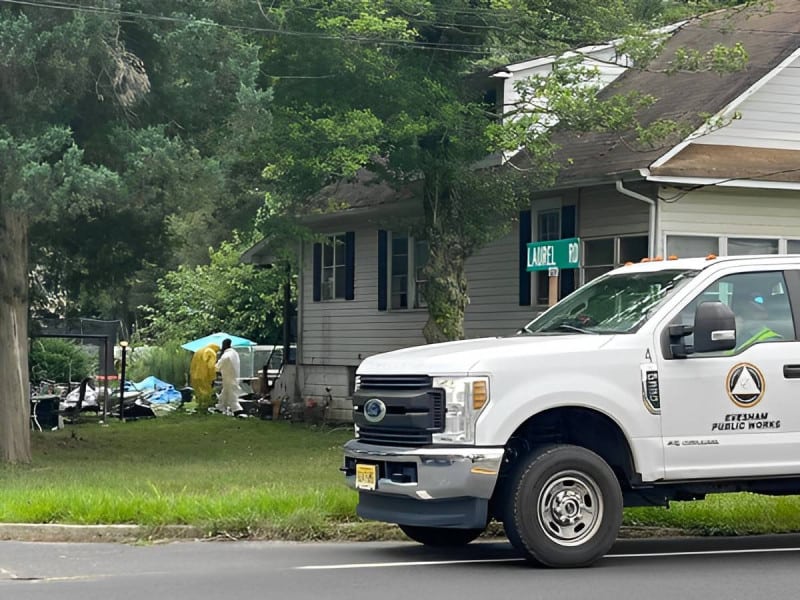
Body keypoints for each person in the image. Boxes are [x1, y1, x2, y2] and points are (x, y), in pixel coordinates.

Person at [213, 339, 244, 415]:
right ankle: (220, 407)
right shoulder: (234, 353)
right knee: (225, 393)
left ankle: (237, 410)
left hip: (228, 377)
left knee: (232, 395)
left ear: (225, 345)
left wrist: (213, 367)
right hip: (234, 376)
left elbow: (218, 366)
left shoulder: (226, 355)